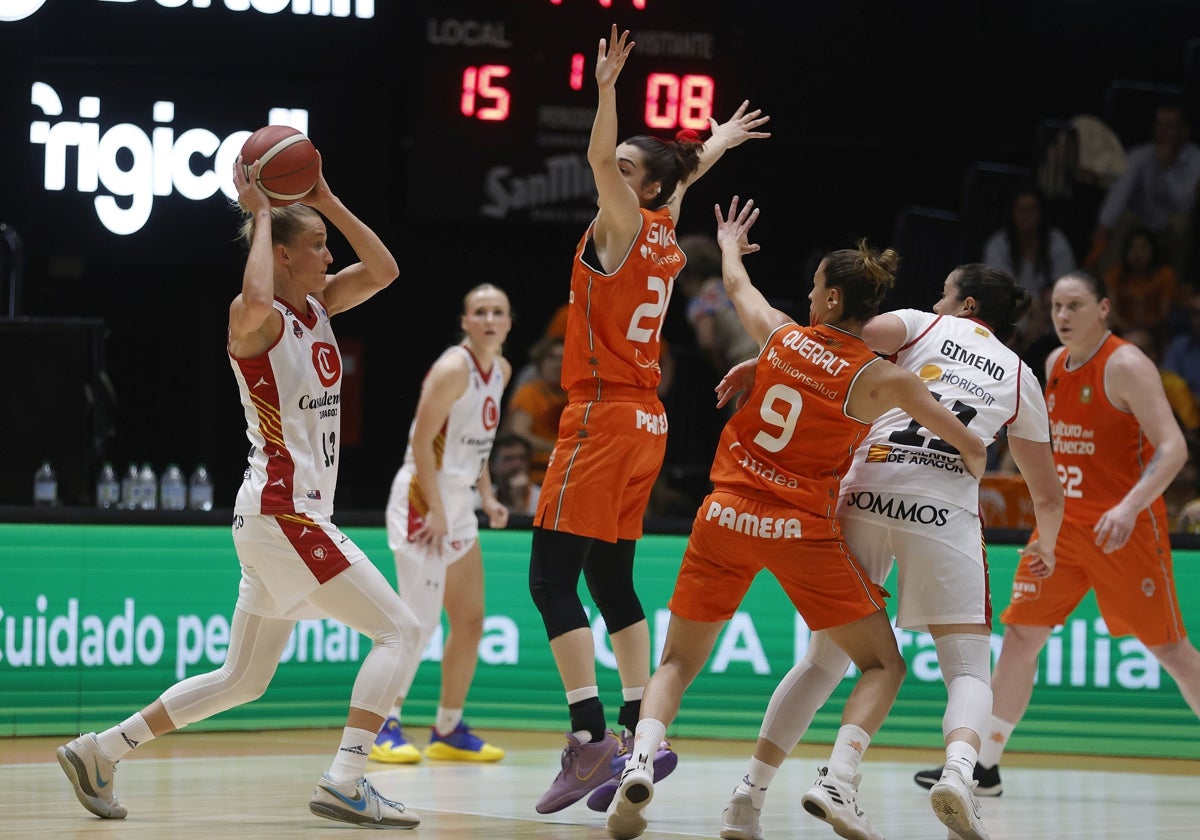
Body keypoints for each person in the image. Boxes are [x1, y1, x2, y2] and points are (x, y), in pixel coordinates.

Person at [603, 197, 988, 840]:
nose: (809, 299)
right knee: (883, 666)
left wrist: (729, 241)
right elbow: (966, 442)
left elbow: (735, 286)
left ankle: (639, 762)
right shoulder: (883, 379)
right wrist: (976, 458)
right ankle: (837, 779)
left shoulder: (779, 336)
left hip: (724, 515)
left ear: (833, 300)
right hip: (799, 529)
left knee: (674, 665)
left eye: (815, 290)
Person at [57, 156, 422, 828]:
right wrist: (259, 210)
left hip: (275, 519)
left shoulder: (318, 305)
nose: (329, 253)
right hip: (287, 515)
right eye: (316, 244)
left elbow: (386, 271)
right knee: (401, 631)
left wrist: (328, 200)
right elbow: (255, 299)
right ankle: (346, 778)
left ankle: (100, 751)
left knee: (243, 681)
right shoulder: (254, 316)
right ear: (281, 254)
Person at [712, 263, 1065, 840]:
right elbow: (1047, 495)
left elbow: (828, 347)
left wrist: (763, 363)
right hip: (942, 507)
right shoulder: (1024, 379)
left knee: (823, 660)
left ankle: (748, 798)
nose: (935, 298)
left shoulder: (918, 324)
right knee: (969, 668)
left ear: (968, 305)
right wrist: (1045, 547)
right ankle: (955, 773)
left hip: (866, 492)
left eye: (944, 291)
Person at [527, 26, 771, 817]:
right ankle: (642, 732)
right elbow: (683, 173)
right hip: (647, 424)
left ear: (644, 189)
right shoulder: (665, 230)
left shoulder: (625, 225)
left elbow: (607, 163)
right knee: (610, 579)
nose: (617, 175)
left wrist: (604, 91)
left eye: (631, 171)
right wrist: (718, 141)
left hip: (600, 419)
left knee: (550, 580)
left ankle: (590, 734)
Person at [913, 270, 1200, 801]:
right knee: (1021, 638)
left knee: (1171, 650)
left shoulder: (1128, 365)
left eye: (1076, 306)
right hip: (1062, 529)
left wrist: (1128, 506)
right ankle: (984, 767)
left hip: (1124, 530)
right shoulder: (1051, 364)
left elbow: (1174, 448)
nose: (1063, 317)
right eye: (1057, 307)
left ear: (1104, 309)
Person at [370, 283, 512, 765]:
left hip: (458, 501)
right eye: (480, 312)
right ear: (465, 322)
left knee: (470, 621)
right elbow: (421, 442)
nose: (490, 319)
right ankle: (382, 722)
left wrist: (487, 497)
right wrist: (433, 507)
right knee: (417, 623)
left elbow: (479, 442)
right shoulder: (455, 368)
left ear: (509, 322)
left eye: (498, 312)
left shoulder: (502, 371)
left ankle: (448, 728)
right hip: (421, 498)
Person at [1085, 99, 1200, 282]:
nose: (1162, 132)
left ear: (1183, 130)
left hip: (1170, 229)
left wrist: (1164, 168)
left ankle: (1174, 288)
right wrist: (1103, 226)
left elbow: (1185, 204)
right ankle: (1107, 282)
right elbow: (1118, 194)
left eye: (1169, 126)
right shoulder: (1140, 156)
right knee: (1121, 218)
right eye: (1159, 125)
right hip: (1140, 224)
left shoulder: (1195, 160)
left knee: (1182, 223)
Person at [981, 184, 1076, 352]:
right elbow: (1000, 290)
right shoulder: (998, 245)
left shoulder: (1057, 242)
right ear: (1012, 213)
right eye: (1022, 210)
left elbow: (1066, 287)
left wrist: (1041, 314)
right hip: (1013, 313)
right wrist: (1032, 307)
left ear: (1040, 212)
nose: (1027, 216)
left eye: (1032, 209)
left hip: (1052, 314)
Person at [676, 232, 760, 375]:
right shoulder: (728, 285)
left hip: (744, 359)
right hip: (769, 350)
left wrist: (720, 365)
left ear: (686, 275)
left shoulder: (700, 300)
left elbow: (706, 341)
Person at [501, 335, 567, 485]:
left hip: (570, 469)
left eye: (563, 358)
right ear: (540, 362)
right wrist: (559, 447)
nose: (558, 364)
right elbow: (519, 434)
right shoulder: (530, 392)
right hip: (534, 472)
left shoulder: (577, 395)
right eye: (552, 357)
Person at [1103, 226, 1180, 334]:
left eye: (1143, 248)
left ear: (1153, 251)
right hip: (1122, 331)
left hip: (1155, 333)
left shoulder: (1165, 275)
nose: (1137, 254)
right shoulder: (1116, 274)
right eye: (1132, 248)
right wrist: (1125, 328)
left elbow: (1165, 313)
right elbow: (1109, 309)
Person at [486, 432, 541, 517]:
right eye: (508, 459)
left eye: (522, 458)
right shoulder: (481, 498)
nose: (517, 465)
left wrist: (519, 501)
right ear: (492, 465)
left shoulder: (542, 499)